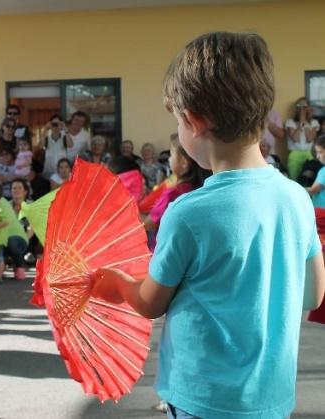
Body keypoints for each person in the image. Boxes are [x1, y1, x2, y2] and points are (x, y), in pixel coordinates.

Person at [92, 32, 325, 419]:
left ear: (194, 122)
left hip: (203, 400)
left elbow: (150, 302)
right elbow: (314, 294)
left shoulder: (188, 213)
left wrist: (116, 283)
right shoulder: (296, 198)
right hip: (271, 398)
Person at [143, 135, 210, 246]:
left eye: (171, 155)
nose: (169, 159)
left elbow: (149, 223)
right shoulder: (203, 189)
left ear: (184, 162)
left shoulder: (174, 193)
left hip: (168, 250)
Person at [0, 180, 29, 282]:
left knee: (2, 253)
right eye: (14, 188)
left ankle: (19, 266)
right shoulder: (2, 202)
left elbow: (5, 221)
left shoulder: (1, 204)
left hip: (15, 238)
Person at [285, 97, 320, 180]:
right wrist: (301, 122)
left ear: (308, 108)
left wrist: (306, 121)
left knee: (308, 181)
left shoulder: (314, 122)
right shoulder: (290, 122)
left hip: (309, 155)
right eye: (299, 106)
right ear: (296, 108)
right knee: (294, 182)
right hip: (294, 156)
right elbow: (295, 139)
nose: (302, 109)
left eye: (304, 106)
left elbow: (310, 139)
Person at [39, 114, 72, 178]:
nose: (56, 126)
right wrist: (45, 129)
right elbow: (40, 146)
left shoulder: (65, 137)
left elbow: (70, 145)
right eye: (54, 124)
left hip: (63, 171)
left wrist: (65, 129)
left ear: (61, 125)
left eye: (58, 124)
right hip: (49, 171)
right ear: (50, 125)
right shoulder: (46, 138)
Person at [306, 136, 325, 208]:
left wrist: (295, 188)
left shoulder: (324, 171)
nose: (317, 156)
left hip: (322, 211)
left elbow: (313, 191)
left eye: (320, 152)